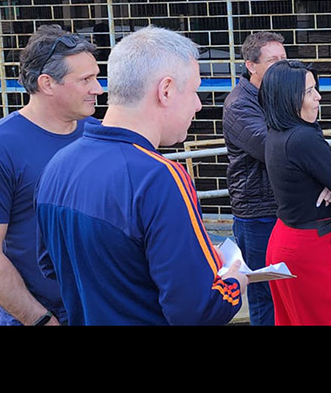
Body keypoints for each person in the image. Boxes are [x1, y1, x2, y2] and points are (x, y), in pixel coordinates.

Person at [35, 26, 248, 325]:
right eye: (195, 90)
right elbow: (197, 310)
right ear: (166, 90)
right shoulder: (159, 177)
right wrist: (236, 280)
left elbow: (50, 266)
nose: (199, 105)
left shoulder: (57, 165)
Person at [0, 25, 102, 326]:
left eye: (96, 76)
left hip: (102, 308)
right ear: (47, 83)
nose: (98, 88)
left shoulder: (98, 134)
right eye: (86, 80)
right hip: (41, 315)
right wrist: (40, 320)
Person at [262, 60, 331, 325]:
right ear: (288, 98)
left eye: (315, 88)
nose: (318, 97)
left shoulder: (276, 133)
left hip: (286, 240)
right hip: (310, 247)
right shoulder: (303, 138)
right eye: (309, 92)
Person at [223, 31, 286, 326]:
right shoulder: (239, 105)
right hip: (257, 213)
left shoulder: (279, 95)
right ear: (251, 65)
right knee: (264, 293)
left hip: (283, 207)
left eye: (284, 59)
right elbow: (269, 148)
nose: (281, 66)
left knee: (286, 289)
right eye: (273, 60)